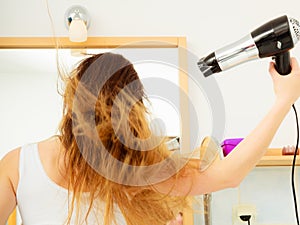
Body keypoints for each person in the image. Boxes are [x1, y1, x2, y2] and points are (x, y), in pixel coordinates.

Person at [0, 52, 300, 225]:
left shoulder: (19, 164)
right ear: (135, 107)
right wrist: (283, 99)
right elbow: (228, 175)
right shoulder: (139, 170)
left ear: (73, 100)